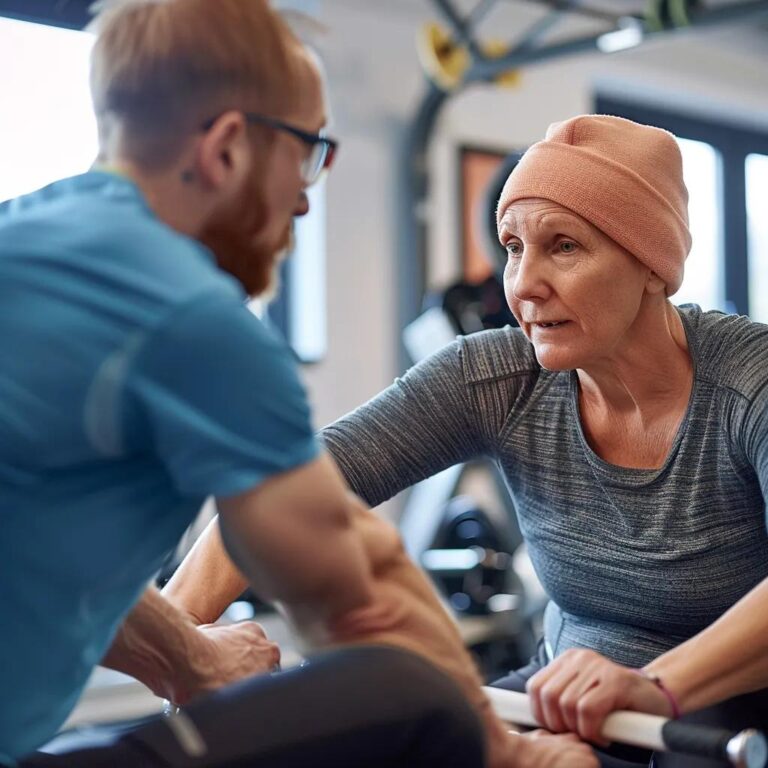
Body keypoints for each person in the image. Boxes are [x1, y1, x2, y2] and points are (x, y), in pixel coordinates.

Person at [0, 2, 600, 767]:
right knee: (409, 693)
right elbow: (357, 596)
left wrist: (190, 656)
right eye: (310, 150)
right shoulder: (189, 316)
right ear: (225, 149)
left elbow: (45, 558)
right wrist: (517, 755)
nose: (306, 198)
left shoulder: (22, 238)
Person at [164, 114, 768, 766]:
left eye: (564, 246)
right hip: (564, 708)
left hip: (723, 722)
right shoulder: (497, 377)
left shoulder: (749, 383)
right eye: (513, 247)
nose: (524, 286)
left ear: (652, 266)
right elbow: (286, 489)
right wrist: (178, 646)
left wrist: (657, 686)